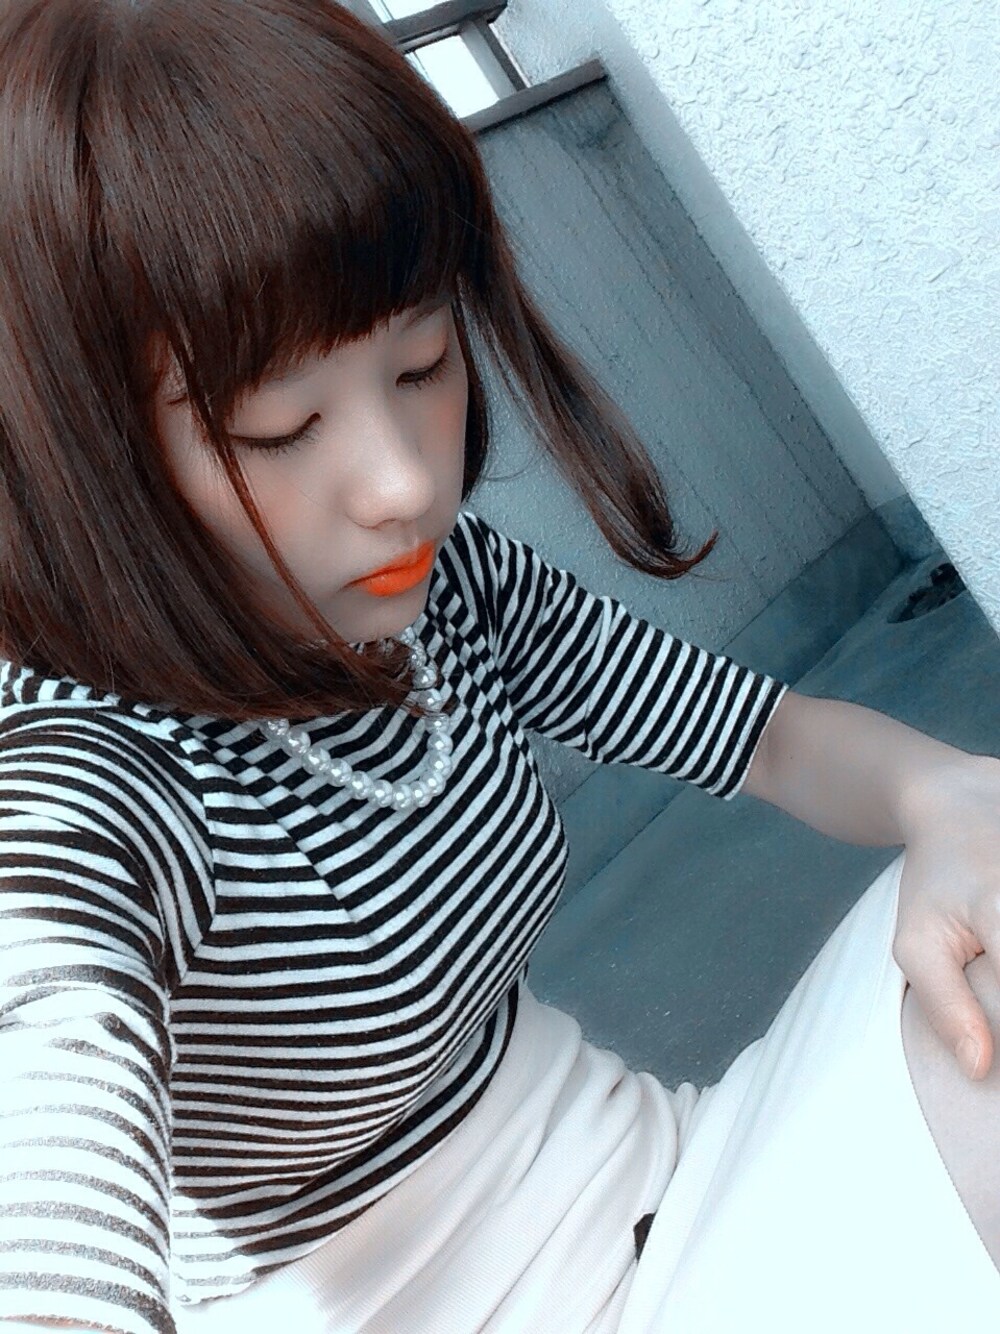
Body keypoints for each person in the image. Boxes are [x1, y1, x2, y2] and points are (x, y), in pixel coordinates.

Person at [0, 2, 997, 1331]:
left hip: (685, 1187)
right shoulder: (80, 796)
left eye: (421, 361)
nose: (404, 482)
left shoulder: (447, 591)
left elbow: (771, 738)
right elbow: (46, 1121)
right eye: (281, 427)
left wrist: (949, 797)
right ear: (86, 460)